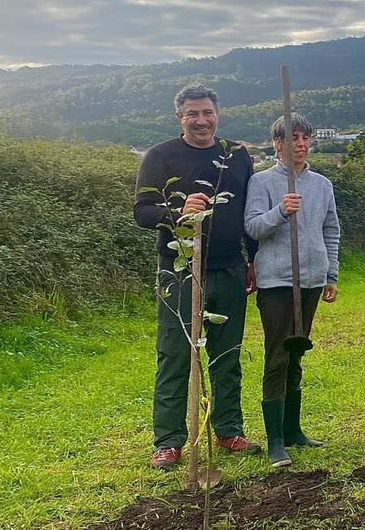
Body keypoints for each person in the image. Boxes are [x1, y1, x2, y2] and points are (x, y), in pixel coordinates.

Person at [133, 84, 261, 470]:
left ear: (217, 114)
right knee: (175, 353)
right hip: (179, 271)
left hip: (229, 267)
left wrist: (252, 260)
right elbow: (141, 212)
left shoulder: (235, 156)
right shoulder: (159, 156)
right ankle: (169, 441)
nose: (201, 120)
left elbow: (248, 214)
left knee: (227, 353)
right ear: (180, 117)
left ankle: (228, 430)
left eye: (207, 112)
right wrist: (177, 211)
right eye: (192, 113)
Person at [244, 113, 340, 467]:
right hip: (277, 282)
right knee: (277, 355)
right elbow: (253, 227)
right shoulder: (262, 182)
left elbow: (331, 230)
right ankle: (275, 441)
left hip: (312, 279)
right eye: (292, 138)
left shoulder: (322, 184)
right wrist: (280, 211)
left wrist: (332, 274)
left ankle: (294, 429)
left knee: (298, 352)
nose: (299, 144)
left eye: (304, 138)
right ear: (277, 143)